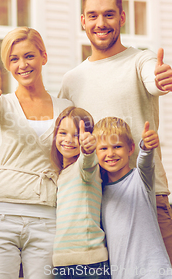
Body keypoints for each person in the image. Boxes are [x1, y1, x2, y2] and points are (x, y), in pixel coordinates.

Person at [58, 0, 172, 270]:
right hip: (93, 204)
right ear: (83, 21)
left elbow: (153, 78)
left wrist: (161, 79)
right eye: (93, 15)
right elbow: (63, 142)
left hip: (146, 196)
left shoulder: (141, 61)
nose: (101, 23)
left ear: (122, 17)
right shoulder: (71, 80)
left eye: (109, 15)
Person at [0, 27, 73, 279]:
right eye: (14, 59)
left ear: (44, 56)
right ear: (7, 65)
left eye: (29, 56)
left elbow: (72, 163)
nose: (22, 64)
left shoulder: (66, 109)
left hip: (47, 215)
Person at [94, 117, 172, 279]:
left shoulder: (141, 179)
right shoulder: (99, 191)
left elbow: (145, 161)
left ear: (131, 148)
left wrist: (146, 146)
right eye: (103, 148)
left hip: (153, 273)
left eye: (117, 146)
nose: (110, 153)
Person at [50, 107, 110, 279]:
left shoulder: (86, 168)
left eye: (76, 135)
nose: (69, 140)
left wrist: (89, 150)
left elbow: (87, 163)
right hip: (62, 264)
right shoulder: (62, 174)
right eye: (63, 133)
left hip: (89, 264)